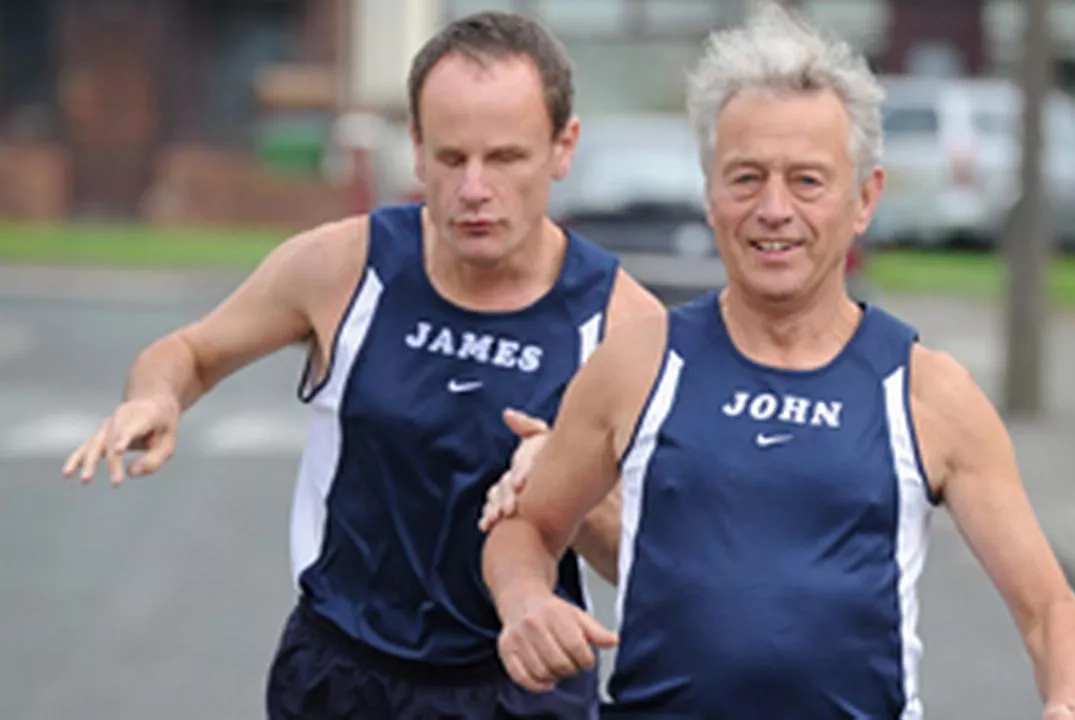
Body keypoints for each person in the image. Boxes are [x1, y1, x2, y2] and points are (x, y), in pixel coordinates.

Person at [478, 5, 1075, 719]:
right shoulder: (639, 366)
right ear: (710, 191)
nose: (774, 209)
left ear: (864, 198)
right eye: (746, 178)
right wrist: (525, 598)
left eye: (807, 181)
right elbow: (525, 527)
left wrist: (1072, 698)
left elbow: (1049, 608)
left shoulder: (927, 393)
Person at [60, 10, 660, 719]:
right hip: (342, 676)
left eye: (505, 158)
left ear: (564, 148)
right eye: (450, 157)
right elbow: (189, 352)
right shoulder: (343, 267)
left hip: (520, 684)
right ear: (414, 147)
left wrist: (569, 485)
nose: (473, 189)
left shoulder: (624, 325)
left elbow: (661, 566)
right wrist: (155, 398)